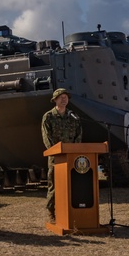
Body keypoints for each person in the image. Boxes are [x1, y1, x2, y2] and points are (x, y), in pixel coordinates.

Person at [41, 88, 82, 222]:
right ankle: (52, 212)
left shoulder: (73, 117)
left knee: (72, 185)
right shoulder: (48, 117)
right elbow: (47, 138)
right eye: (61, 97)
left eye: (66, 97)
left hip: (71, 157)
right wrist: (57, 152)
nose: (64, 99)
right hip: (56, 158)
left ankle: (70, 211)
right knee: (54, 185)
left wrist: (73, 150)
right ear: (55, 100)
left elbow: (78, 135)